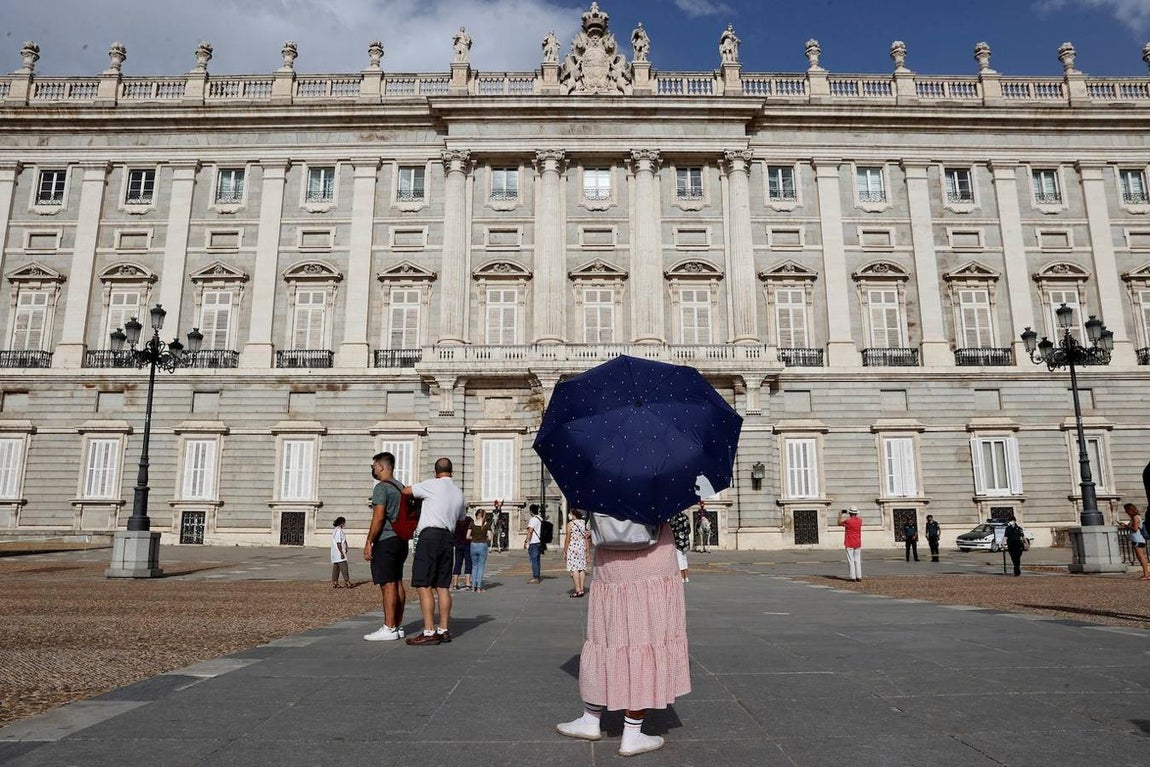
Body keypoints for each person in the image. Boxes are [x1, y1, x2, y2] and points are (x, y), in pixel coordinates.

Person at [556, 520, 689, 757]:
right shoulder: (658, 480)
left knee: (606, 636)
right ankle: (632, 733)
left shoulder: (596, 481)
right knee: (647, 635)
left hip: (610, 556)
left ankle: (591, 718)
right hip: (653, 556)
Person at [403, 457, 468, 645]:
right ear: (452, 472)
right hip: (448, 537)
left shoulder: (431, 484)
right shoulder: (458, 493)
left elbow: (406, 492)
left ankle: (429, 631)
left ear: (435, 472)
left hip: (429, 536)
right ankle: (444, 629)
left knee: (424, 585)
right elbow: (462, 519)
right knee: (443, 586)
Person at [363, 453, 408, 641]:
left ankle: (389, 628)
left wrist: (369, 541)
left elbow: (379, 517)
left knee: (387, 584)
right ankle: (397, 625)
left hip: (386, 540)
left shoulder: (381, 488)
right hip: (401, 540)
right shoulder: (401, 487)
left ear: (381, 467)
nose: (373, 469)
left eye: (374, 466)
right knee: (397, 582)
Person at [564, 509, 590, 597]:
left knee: (574, 568)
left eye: (570, 513)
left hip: (573, 548)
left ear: (574, 514)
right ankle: (582, 589)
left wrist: (565, 551)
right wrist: (587, 553)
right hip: (582, 547)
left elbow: (567, 538)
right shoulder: (583, 523)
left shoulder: (570, 524)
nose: (569, 515)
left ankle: (578, 590)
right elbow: (586, 538)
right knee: (581, 568)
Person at [468, 509, 492, 591]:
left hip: (473, 545)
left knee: (474, 566)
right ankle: (479, 587)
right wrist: (484, 538)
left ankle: (473, 586)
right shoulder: (486, 524)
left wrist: (474, 537)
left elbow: (467, 536)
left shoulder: (472, 523)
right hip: (483, 545)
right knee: (481, 566)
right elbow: (490, 537)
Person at [1125, 503, 1150, 579]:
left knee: (1141, 557)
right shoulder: (1137, 517)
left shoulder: (1135, 518)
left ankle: (1146, 574)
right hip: (1138, 539)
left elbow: (1135, 529)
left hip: (1137, 539)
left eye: (1126, 510)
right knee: (1140, 557)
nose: (1126, 512)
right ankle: (1146, 573)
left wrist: (1128, 526)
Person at [839, 507, 863, 582]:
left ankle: (853, 577)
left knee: (851, 560)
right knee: (857, 560)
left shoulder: (848, 521)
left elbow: (839, 523)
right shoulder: (860, 521)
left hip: (849, 542)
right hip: (857, 542)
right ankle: (859, 576)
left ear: (850, 513)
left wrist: (840, 515)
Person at [452, 513, 473, 590]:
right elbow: (472, 530)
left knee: (457, 563)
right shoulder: (469, 520)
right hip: (467, 544)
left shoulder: (456, 520)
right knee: (468, 563)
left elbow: (453, 531)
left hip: (458, 544)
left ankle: (455, 584)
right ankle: (467, 583)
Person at [669, 509, 691, 582]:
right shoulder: (686, 517)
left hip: (677, 540)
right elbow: (689, 530)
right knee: (684, 558)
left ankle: (681, 576)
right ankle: (686, 577)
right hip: (685, 540)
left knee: (679, 558)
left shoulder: (674, 517)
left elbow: (671, 529)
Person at [330, 516, 351, 588]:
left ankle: (335, 582)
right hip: (339, 552)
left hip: (335, 552)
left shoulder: (335, 530)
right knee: (344, 566)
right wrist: (342, 552)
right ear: (342, 523)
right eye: (344, 522)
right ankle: (347, 582)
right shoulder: (339, 531)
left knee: (336, 567)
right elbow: (339, 542)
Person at [525, 505, 543, 583]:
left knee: (534, 560)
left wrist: (526, 541)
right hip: (540, 542)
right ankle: (537, 576)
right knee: (537, 560)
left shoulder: (533, 519)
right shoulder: (540, 519)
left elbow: (530, 531)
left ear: (531, 511)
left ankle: (535, 577)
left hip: (534, 542)